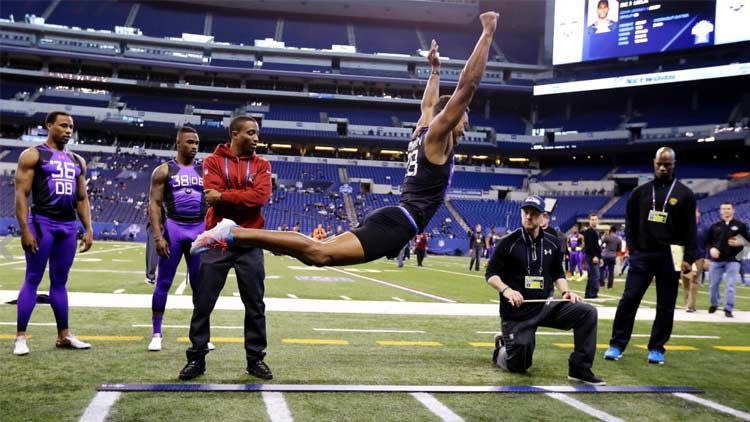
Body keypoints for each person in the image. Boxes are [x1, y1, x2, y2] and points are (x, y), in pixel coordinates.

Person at [190, 13, 500, 268]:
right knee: (319, 253)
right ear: (450, 117)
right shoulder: (436, 137)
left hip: (394, 216)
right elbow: (467, 86)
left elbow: (428, 106)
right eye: (463, 122)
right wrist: (487, 32)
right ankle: (234, 234)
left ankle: (257, 238)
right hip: (400, 222)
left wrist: (434, 71)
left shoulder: (423, 129)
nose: (464, 129)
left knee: (316, 253)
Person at [179, 116, 272, 381]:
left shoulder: (263, 164)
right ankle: (197, 358)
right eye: (251, 133)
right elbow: (212, 196)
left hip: (251, 240)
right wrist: (236, 198)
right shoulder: (212, 161)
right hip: (217, 241)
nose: (256, 138)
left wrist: (226, 197)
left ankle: (255, 359)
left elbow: (260, 197)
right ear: (235, 134)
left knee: (255, 304)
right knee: (204, 302)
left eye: (257, 134)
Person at [486, 196, 604, 385]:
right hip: (518, 312)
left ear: (543, 217)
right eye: (526, 213)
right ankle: (501, 348)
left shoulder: (553, 242)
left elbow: (558, 272)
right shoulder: (508, 242)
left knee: (587, 312)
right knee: (519, 365)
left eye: (534, 213)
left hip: (544, 305)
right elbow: (491, 274)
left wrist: (566, 292)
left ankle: (579, 368)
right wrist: (507, 290)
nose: (529, 217)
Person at [604, 147, 696, 365]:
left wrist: (688, 258)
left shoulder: (685, 194)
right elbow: (630, 224)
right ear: (654, 164)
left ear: (674, 165)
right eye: (660, 164)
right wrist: (634, 250)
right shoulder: (640, 193)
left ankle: (657, 348)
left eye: (668, 164)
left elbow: (689, 229)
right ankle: (617, 344)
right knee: (629, 299)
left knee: (666, 304)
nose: (663, 168)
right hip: (643, 253)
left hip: (672, 254)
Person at [13, 111, 94, 356]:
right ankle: (20, 338)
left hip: (68, 227)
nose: (68, 130)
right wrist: (25, 228)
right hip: (42, 222)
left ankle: (64, 336)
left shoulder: (78, 160)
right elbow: (21, 195)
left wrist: (88, 228)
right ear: (49, 126)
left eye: (71, 126)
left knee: (60, 282)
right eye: (63, 125)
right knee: (33, 278)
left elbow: (82, 198)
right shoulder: (33, 154)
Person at [147, 127, 206, 351]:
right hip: (174, 229)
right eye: (190, 142)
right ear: (178, 143)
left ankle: (200, 336)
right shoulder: (163, 171)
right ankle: (156, 333)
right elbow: (153, 204)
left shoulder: (205, 171)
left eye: (197, 143)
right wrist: (158, 236)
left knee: (201, 288)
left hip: (199, 230)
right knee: (163, 283)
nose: (194, 146)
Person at [706, 202, 749, 318]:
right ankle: (715, 303)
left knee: (730, 284)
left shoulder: (740, 226)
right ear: (720, 211)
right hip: (717, 260)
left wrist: (739, 245)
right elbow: (708, 242)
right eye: (724, 209)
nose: (726, 211)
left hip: (733, 260)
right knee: (713, 285)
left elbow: (747, 243)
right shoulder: (715, 226)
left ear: (733, 210)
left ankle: (728, 308)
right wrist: (711, 250)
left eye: (728, 208)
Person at [681, 209, 707, 313]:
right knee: (685, 281)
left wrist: (707, 258)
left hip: (698, 257)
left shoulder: (704, 228)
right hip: (685, 258)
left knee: (694, 280)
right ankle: (687, 302)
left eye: (695, 212)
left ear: (699, 214)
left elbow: (708, 243)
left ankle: (690, 306)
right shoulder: (683, 227)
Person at [583, 214, 602, 298]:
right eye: (592, 219)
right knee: (595, 275)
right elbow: (590, 245)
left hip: (593, 256)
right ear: (589, 221)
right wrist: (595, 256)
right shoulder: (589, 231)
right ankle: (592, 294)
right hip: (591, 256)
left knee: (592, 275)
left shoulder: (594, 231)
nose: (594, 221)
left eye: (595, 219)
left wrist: (599, 257)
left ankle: (589, 294)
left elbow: (597, 246)